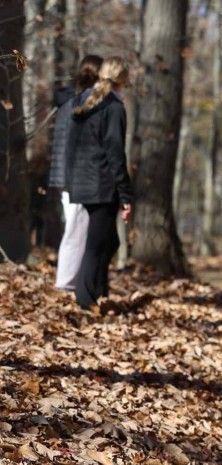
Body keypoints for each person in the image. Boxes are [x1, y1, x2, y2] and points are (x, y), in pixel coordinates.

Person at [64, 56, 132, 310]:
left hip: (84, 179)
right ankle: (85, 298)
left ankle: (100, 290)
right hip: (102, 183)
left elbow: (71, 145)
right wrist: (125, 194)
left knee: (110, 240)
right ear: (122, 79)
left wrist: (72, 180)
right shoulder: (113, 106)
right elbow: (115, 151)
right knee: (95, 244)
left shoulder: (83, 99)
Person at [51, 54, 103, 290]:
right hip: (77, 176)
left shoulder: (67, 101)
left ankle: (72, 280)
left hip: (65, 175)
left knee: (76, 229)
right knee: (75, 230)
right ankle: (66, 283)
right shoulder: (84, 104)